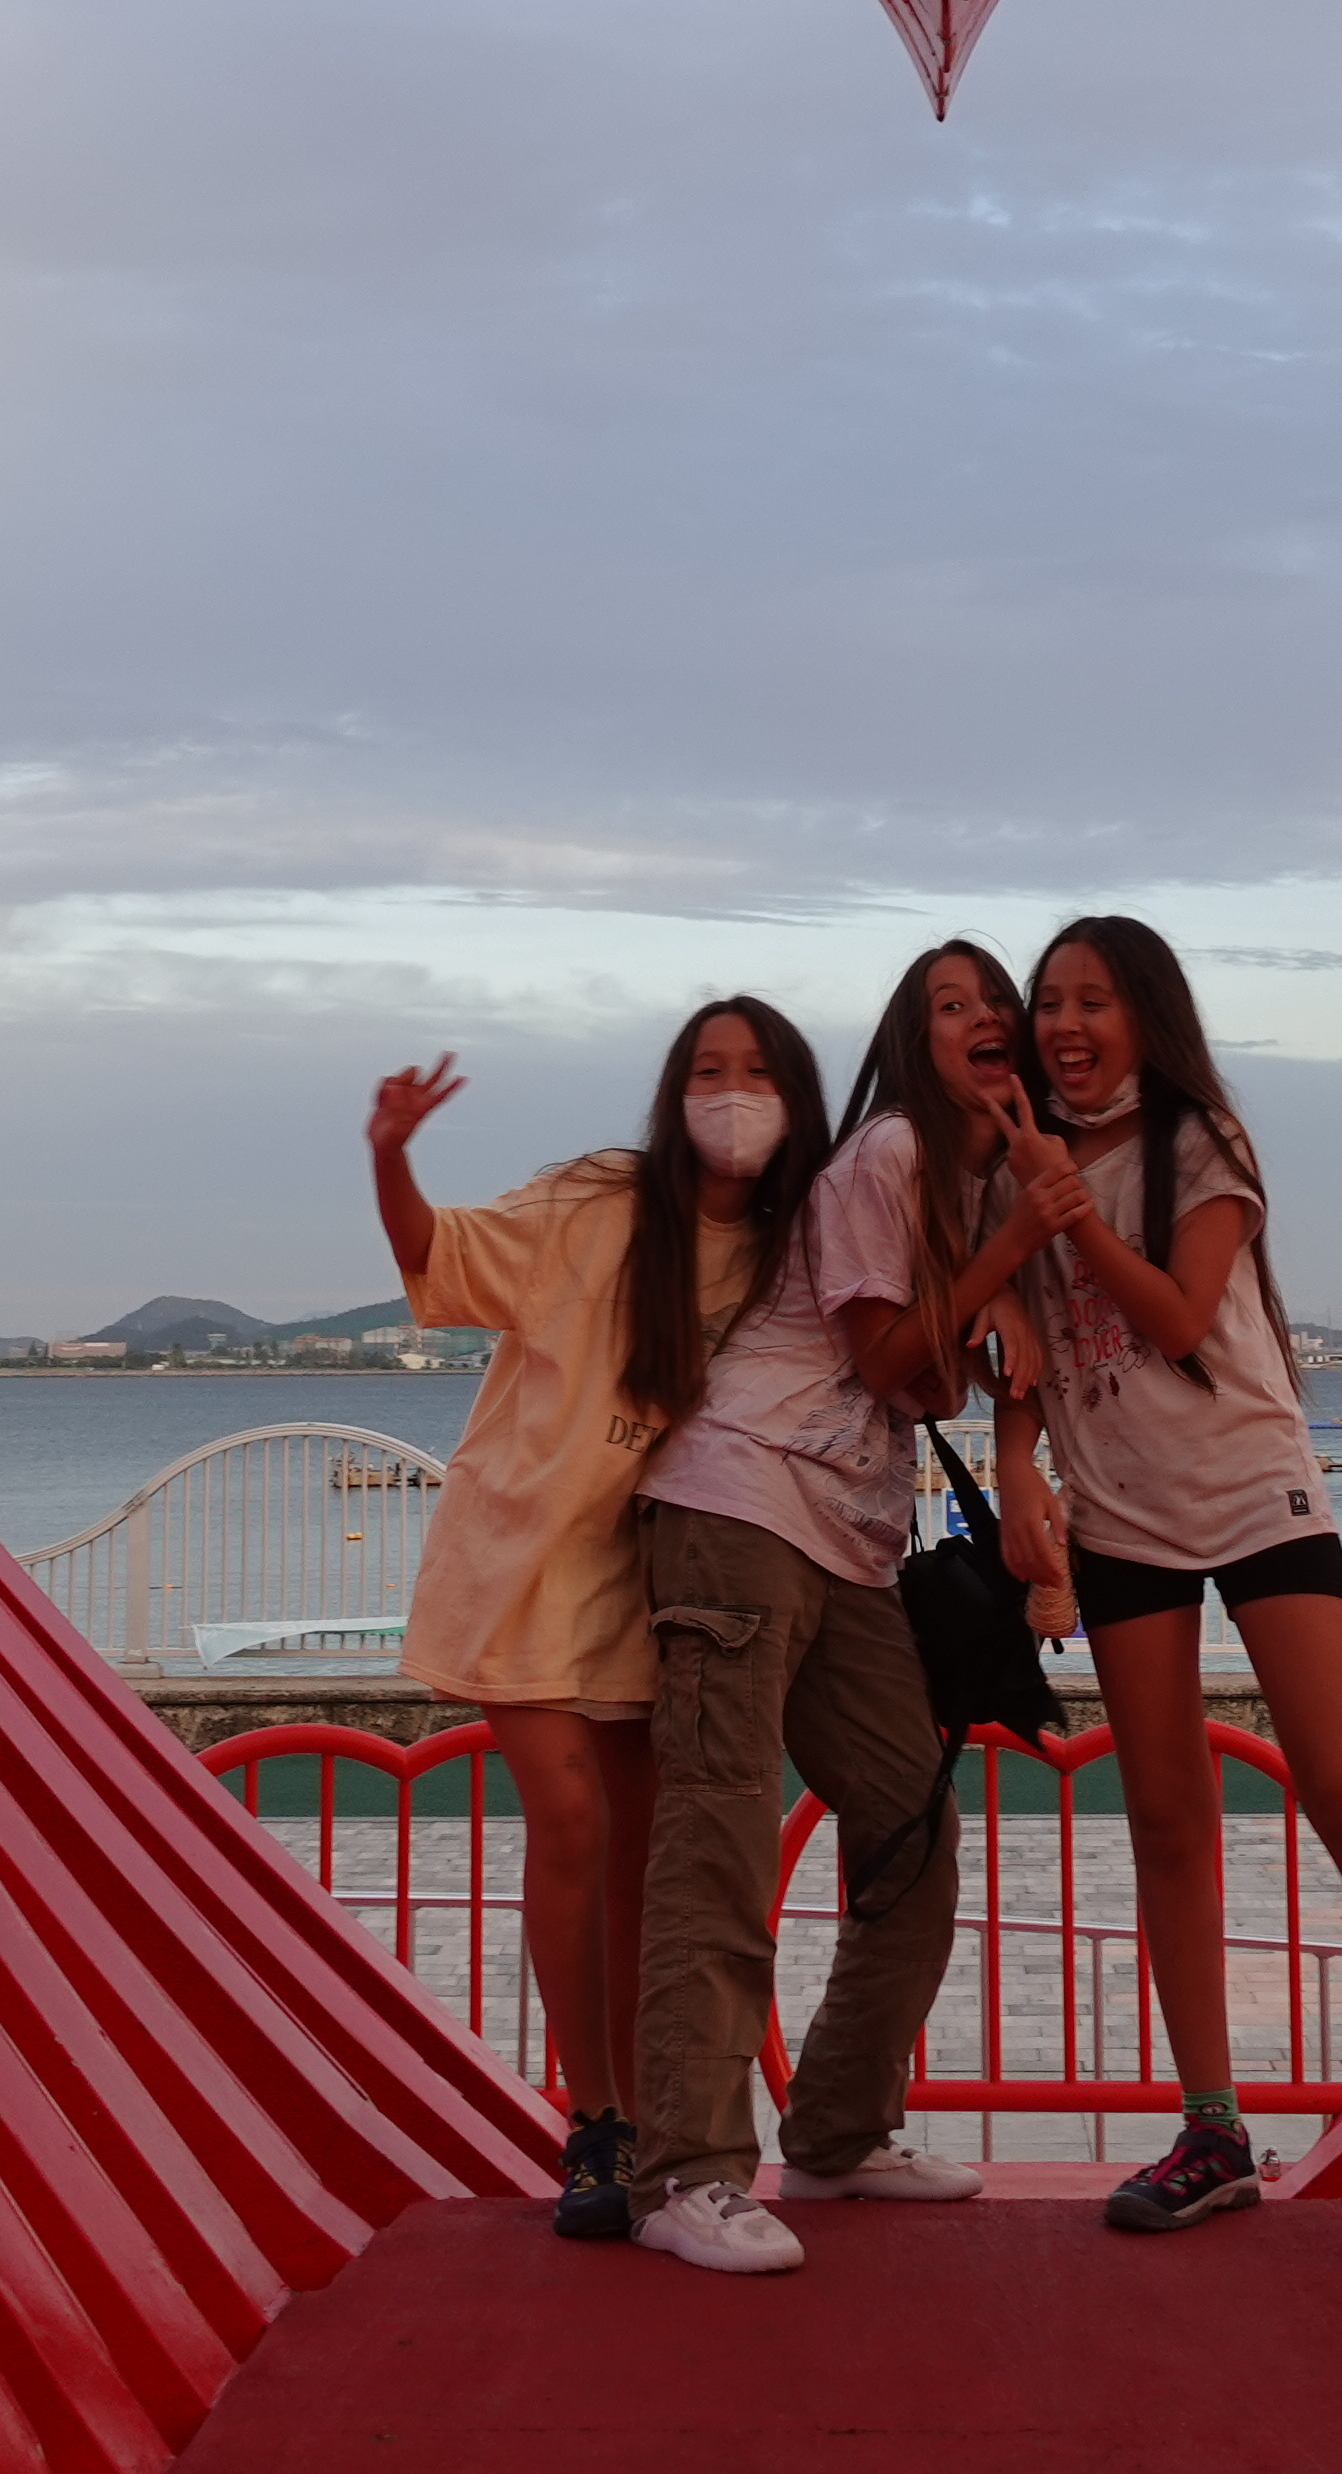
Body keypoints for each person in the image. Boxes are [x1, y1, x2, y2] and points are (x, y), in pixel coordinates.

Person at [1010, 913, 1342, 2269]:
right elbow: (1025, 1341)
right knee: (1166, 1818)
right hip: (1120, 1517)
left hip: (1251, 1489)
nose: (1066, 1025)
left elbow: (1177, 1318)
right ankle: (1212, 2131)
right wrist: (1017, 1465)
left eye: (1094, 1001)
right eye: (1050, 1001)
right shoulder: (1024, 1163)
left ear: (1146, 1016)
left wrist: (1063, 1206)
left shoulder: (1199, 1140)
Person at [615, 951, 1069, 2273]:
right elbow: (884, 1358)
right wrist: (1007, 1259)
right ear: (911, 1046)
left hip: (850, 1540)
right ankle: (684, 2172)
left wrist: (1011, 1375)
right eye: (949, 1006)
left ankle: (835, 2132)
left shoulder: (987, 1184)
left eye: (995, 1001)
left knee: (909, 1827)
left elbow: (963, 1372)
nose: (983, 1019)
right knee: (720, 1831)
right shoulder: (890, 1153)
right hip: (739, 1505)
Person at [374, 1005, 819, 2240]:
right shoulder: (595, 1204)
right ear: (674, 1092)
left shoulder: (795, 1247)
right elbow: (439, 1253)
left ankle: (653, 2117)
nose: (733, 1094)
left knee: (642, 1852)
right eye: (709, 1071)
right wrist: (390, 1156)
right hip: (522, 1562)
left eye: (759, 1073)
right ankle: (595, 2120)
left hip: (661, 1579)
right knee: (570, 1822)